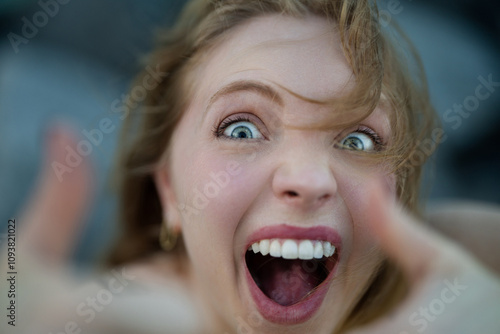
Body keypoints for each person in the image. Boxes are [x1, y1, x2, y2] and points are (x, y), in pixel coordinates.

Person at [4, 1, 500, 333]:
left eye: (357, 139)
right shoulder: (121, 311)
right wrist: (14, 304)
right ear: (171, 193)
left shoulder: (460, 258)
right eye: (241, 129)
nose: (307, 180)